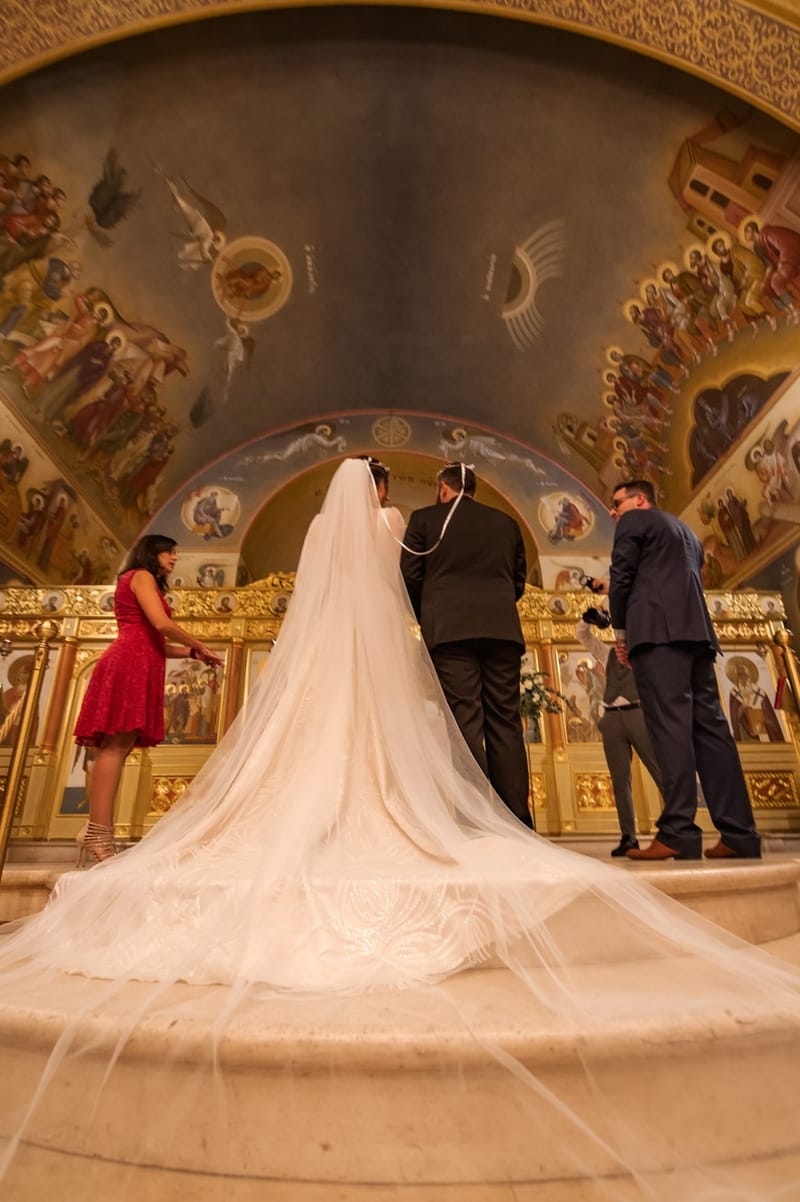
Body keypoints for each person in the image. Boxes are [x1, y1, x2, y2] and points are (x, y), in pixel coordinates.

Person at [0, 460, 799, 1200]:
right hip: (423, 643)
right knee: (451, 739)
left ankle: (299, 819)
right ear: (383, 491)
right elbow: (424, 582)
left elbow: (386, 582)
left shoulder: (330, 529)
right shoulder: (417, 523)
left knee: (340, 738)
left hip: (339, 654)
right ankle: (509, 817)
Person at [608, 479, 760, 860]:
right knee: (712, 731)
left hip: (658, 635)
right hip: (697, 636)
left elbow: (621, 578)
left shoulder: (634, 522)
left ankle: (677, 831)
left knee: (669, 728)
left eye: (617, 503)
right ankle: (739, 833)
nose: (613, 511)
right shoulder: (688, 533)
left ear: (639, 499)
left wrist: (621, 633)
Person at [72, 533, 222, 863]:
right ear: (151, 554)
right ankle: (98, 833)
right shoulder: (140, 575)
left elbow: (155, 642)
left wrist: (192, 654)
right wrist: (198, 643)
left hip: (141, 661)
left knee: (119, 747)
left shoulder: (141, 581)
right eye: (168, 552)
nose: (174, 558)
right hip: (129, 662)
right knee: (114, 747)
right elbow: (161, 624)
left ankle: (94, 829)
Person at [399, 462, 532, 827]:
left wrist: (430, 614)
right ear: (471, 488)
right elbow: (517, 581)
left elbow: (409, 575)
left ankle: (474, 821)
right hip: (502, 632)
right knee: (505, 721)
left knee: (464, 720)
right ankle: (517, 820)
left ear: (443, 488)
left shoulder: (425, 519)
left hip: (449, 632)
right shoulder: (506, 523)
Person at [574, 591, 663, 856]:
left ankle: (678, 828)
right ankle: (628, 836)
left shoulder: (647, 649)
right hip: (612, 716)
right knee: (619, 779)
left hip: (639, 713)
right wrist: (588, 618)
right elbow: (583, 636)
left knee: (659, 771)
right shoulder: (608, 652)